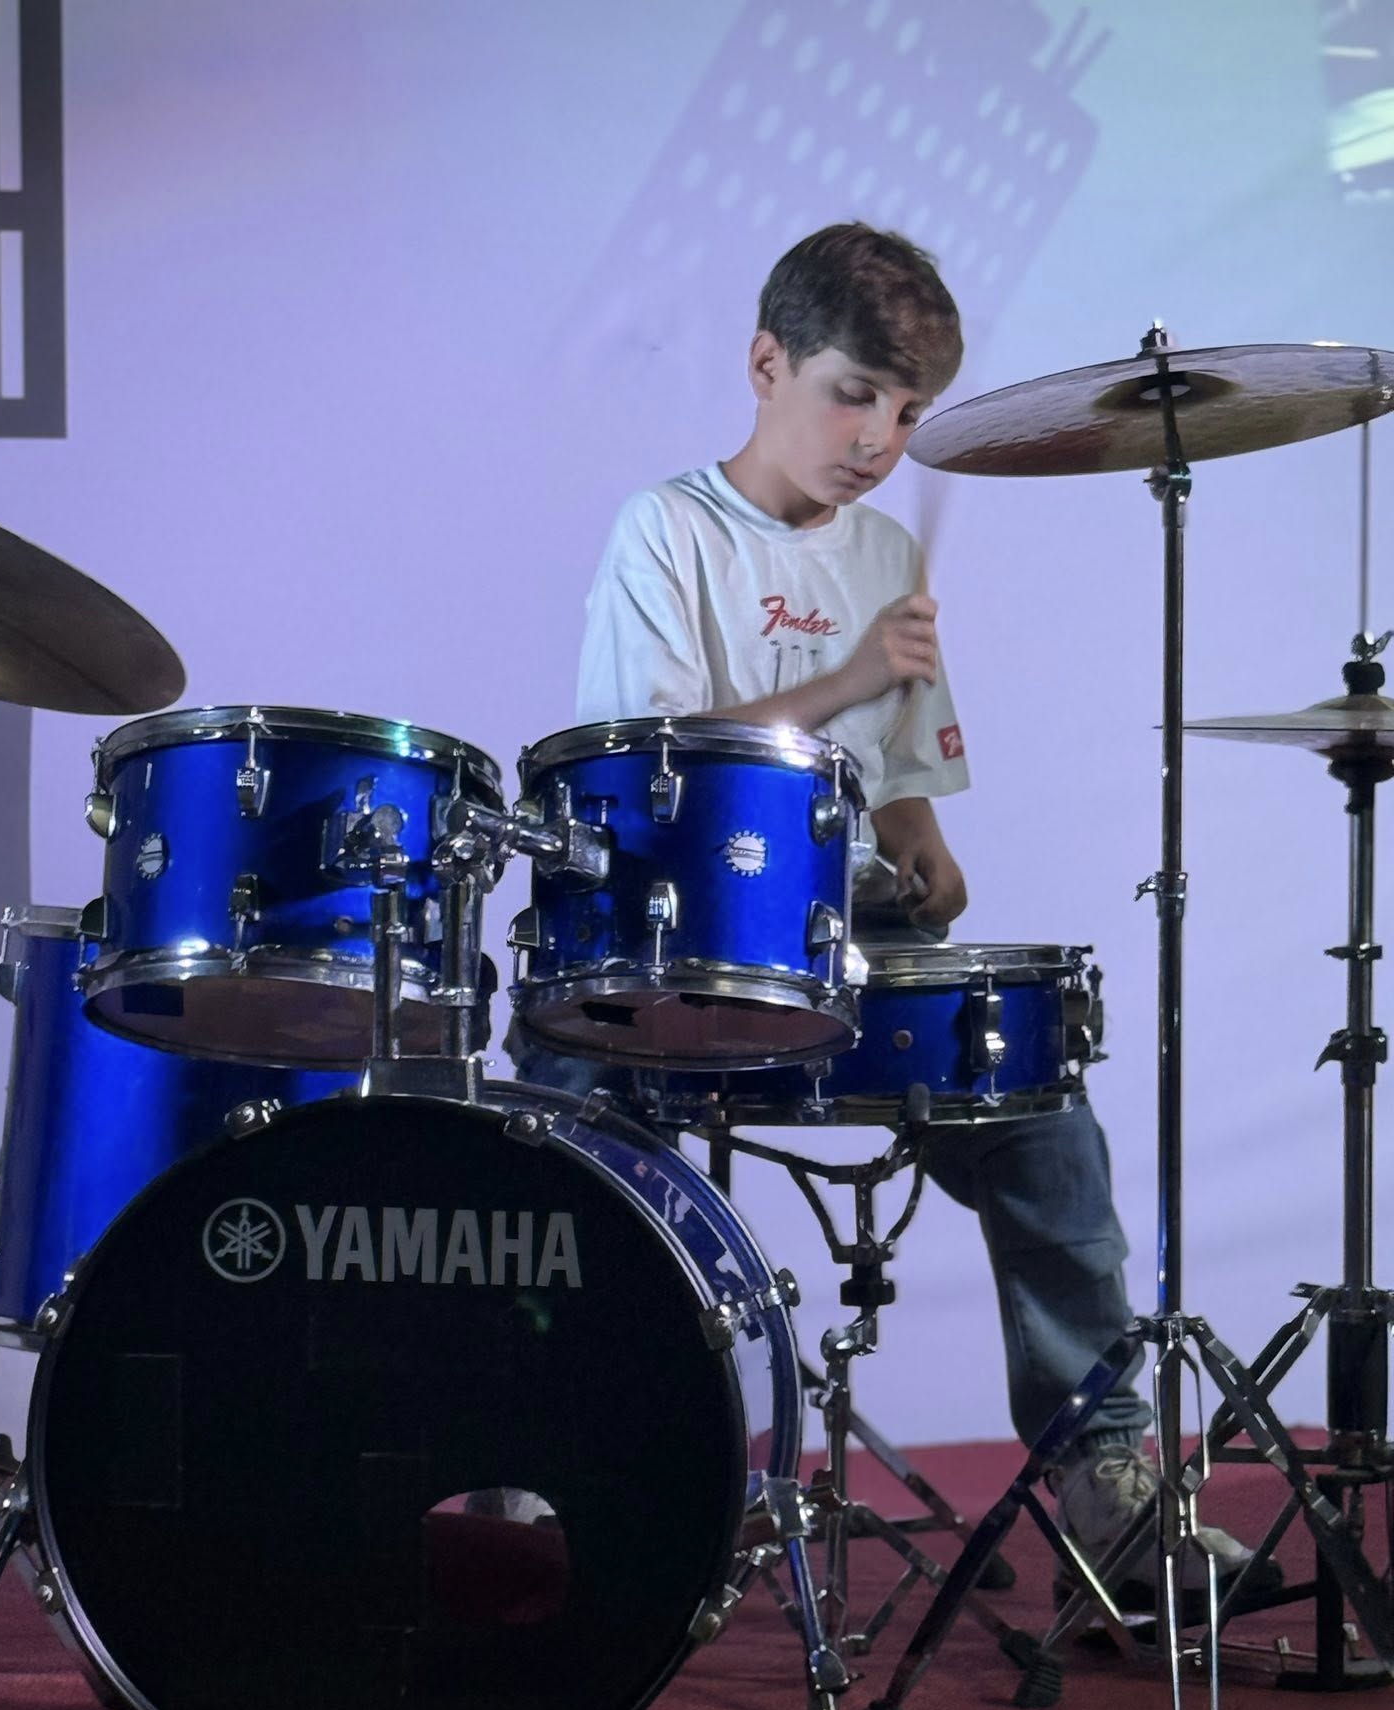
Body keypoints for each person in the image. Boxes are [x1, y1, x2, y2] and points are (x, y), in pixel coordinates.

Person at [510, 223, 1259, 1609]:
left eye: (908, 412)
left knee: (1040, 1111)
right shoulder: (667, 531)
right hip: (673, 945)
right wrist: (850, 675)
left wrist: (927, 857)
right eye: (855, 394)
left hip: (844, 946)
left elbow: (908, 800)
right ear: (767, 363)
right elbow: (650, 762)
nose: (880, 440)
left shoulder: (886, 557)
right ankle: (527, 1460)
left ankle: (1108, 1488)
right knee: (552, 1151)